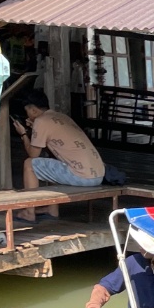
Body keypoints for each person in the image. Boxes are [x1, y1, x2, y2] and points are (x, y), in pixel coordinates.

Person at [12, 89, 104, 220]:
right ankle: (52, 209)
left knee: (29, 164)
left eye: (27, 110)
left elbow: (33, 154)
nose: (27, 114)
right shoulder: (61, 117)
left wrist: (23, 134)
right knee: (51, 162)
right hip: (98, 174)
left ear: (33, 110)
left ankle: (29, 212)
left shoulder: (41, 121)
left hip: (82, 176)